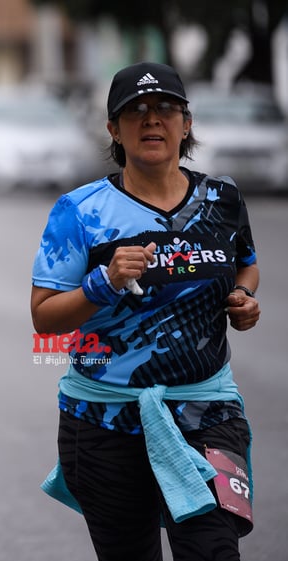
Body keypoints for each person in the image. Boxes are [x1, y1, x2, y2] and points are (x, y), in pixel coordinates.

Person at [30, 62, 260, 561]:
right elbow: (44, 318)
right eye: (134, 111)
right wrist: (104, 281)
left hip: (208, 412)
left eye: (165, 109)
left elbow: (246, 266)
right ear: (114, 129)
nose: (151, 120)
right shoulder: (81, 210)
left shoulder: (222, 199)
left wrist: (242, 299)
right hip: (105, 420)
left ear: (186, 122)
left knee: (214, 551)